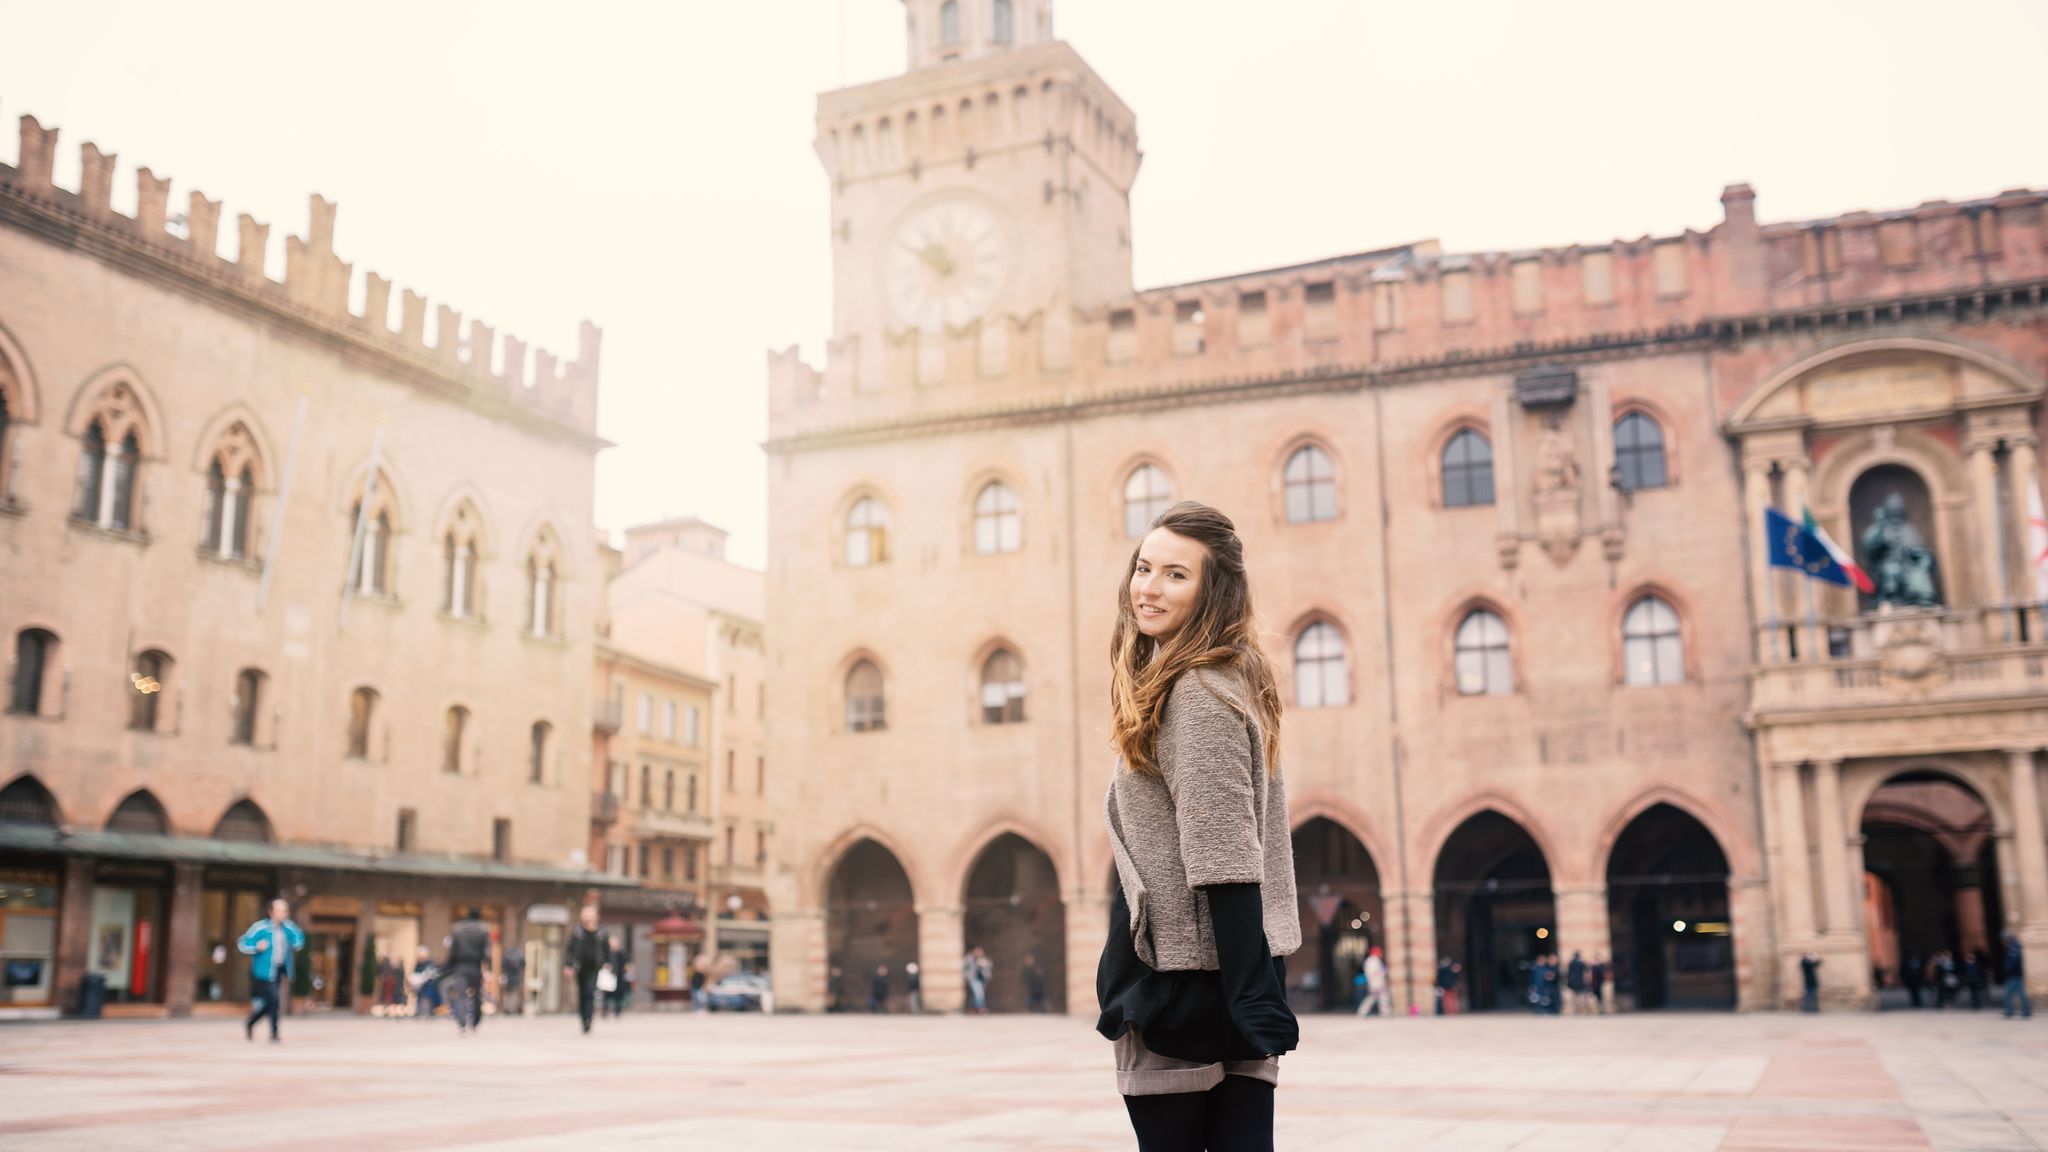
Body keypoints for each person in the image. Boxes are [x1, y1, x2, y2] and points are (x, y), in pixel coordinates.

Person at [1096, 501, 1300, 1151]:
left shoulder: (1197, 690)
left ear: (1212, 592)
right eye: (1144, 567)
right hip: (1225, 974)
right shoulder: (1223, 679)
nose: (1148, 588)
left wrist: (1248, 995)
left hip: (1187, 984)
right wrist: (1253, 987)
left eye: (1175, 575)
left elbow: (1222, 847)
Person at [237, 897, 305, 1043]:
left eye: (285, 910)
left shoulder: (288, 927)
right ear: (271, 912)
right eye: (280, 910)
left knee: (271, 1002)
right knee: (274, 1000)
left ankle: (251, 1022)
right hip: (264, 971)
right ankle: (273, 1033)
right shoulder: (260, 928)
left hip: (280, 969)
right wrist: (257, 947)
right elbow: (243, 943)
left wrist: (295, 943)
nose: (283, 913)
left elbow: (299, 939)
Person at [444, 908, 493, 1034]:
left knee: (461, 995)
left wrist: (450, 967)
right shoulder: (483, 930)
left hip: (460, 967)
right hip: (476, 967)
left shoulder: (457, 929)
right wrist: (488, 968)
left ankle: (462, 1022)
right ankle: (475, 1022)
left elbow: (452, 951)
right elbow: (487, 951)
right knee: (476, 996)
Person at [563, 904, 605, 1034]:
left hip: (595, 967)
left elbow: (606, 950)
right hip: (580, 967)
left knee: (590, 992)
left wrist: (608, 963)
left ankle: (588, 1019)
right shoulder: (578, 931)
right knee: (582, 993)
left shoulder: (601, 932)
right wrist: (568, 965)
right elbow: (569, 950)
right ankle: (583, 1019)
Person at [2004, 932, 2031, 1020]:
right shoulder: (2016, 946)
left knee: (2009, 993)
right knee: (2021, 993)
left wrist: (2008, 968)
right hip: (2017, 974)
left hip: (2014, 975)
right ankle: (2025, 1011)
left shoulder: (2014, 947)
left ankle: (2010, 1011)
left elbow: (2013, 961)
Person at [1356, 947, 1389, 1018]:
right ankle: (1362, 1011)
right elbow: (1374, 973)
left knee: (1379, 997)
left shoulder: (1374, 960)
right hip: (1376, 982)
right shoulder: (1372, 961)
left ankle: (1385, 1012)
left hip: (1377, 982)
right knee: (1377, 997)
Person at [602, 936, 629, 1017]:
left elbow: (626, 964)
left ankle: (617, 1011)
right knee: (607, 995)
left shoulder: (621, 953)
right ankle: (605, 1011)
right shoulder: (606, 953)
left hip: (619, 976)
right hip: (608, 977)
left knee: (619, 995)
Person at [500, 943, 526, 1017]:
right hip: (516, 976)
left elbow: (503, 965)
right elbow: (523, 966)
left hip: (507, 976)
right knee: (514, 993)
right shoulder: (519, 955)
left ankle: (507, 1008)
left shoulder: (506, 955)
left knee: (507, 993)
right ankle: (513, 1008)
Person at [963, 947, 990, 1014]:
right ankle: (980, 1007)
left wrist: (983, 965)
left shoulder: (983, 959)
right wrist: (967, 976)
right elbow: (965, 968)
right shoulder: (969, 959)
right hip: (973, 978)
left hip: (982, 979)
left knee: (977, 994)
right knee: (978, 993)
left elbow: (988, 968)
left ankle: (974, 1008)